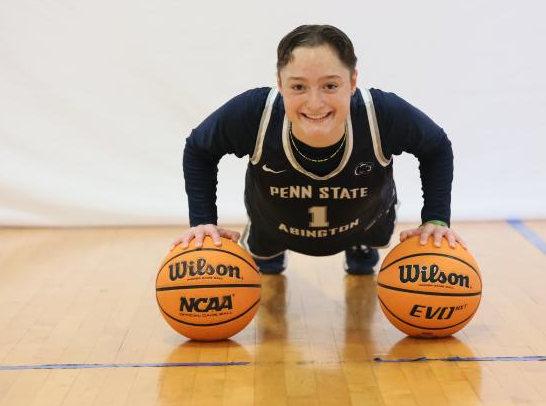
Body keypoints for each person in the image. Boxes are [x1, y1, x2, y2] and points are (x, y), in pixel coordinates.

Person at [171, 25, 465, 274]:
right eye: (298, 87)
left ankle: (358, 243)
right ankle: (269, 246)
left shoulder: (380, 113)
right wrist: (203, 221)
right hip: (275, 223)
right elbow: (199, 149)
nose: (315, 103)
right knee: (265, 264)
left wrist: (436, 218)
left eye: (330, 86)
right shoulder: (255, 112)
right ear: (280, 84)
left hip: (363, 221)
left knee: (365, 255)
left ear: (352, 82)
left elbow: (436, 147)